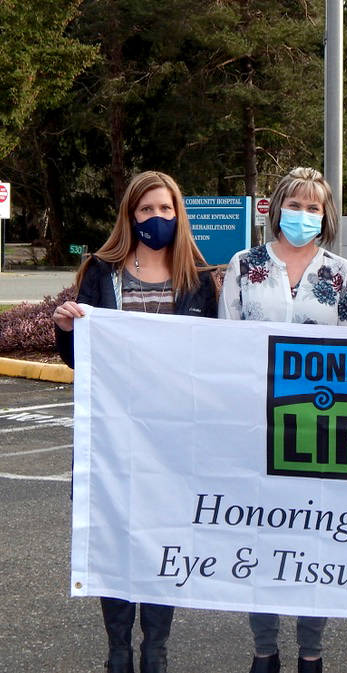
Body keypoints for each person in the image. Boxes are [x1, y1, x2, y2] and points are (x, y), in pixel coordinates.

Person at [53, 170, 218, 673]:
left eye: (165, 209)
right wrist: (65, 329)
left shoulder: (199, 279)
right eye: (146, 210)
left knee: (163, 539)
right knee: (115, 538)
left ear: (178, 214)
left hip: (172, 438)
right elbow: (82, 358)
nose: (156, 218)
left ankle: (156, 649)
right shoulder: (101, 272)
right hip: (112, 435)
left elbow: (213, 360)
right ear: (129, 215)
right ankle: (119, 648)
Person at [218, 166, 347, 673]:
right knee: (262, 535)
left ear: (326, 216)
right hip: (257, 428)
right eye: (294, 205)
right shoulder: (244, 263)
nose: (302, 215)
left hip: (316, 431)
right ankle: (264, 648)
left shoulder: (341, 275)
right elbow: (226, 343)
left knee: (313, 538)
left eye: (313, 207)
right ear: (276, 208)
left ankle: (311, 651)